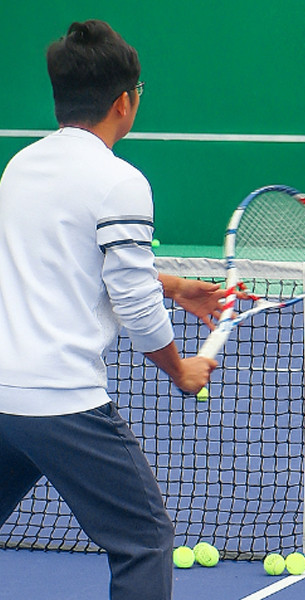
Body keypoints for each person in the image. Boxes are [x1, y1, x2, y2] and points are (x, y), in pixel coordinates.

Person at [0, 20, 221, 600]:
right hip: (62, 403)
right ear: (124, 102)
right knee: (145, 540)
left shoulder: (19, 167)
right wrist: (180, 370)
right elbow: (132, 301)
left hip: (2, 398)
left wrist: (175, 285)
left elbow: (62, 263)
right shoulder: (120, 182)